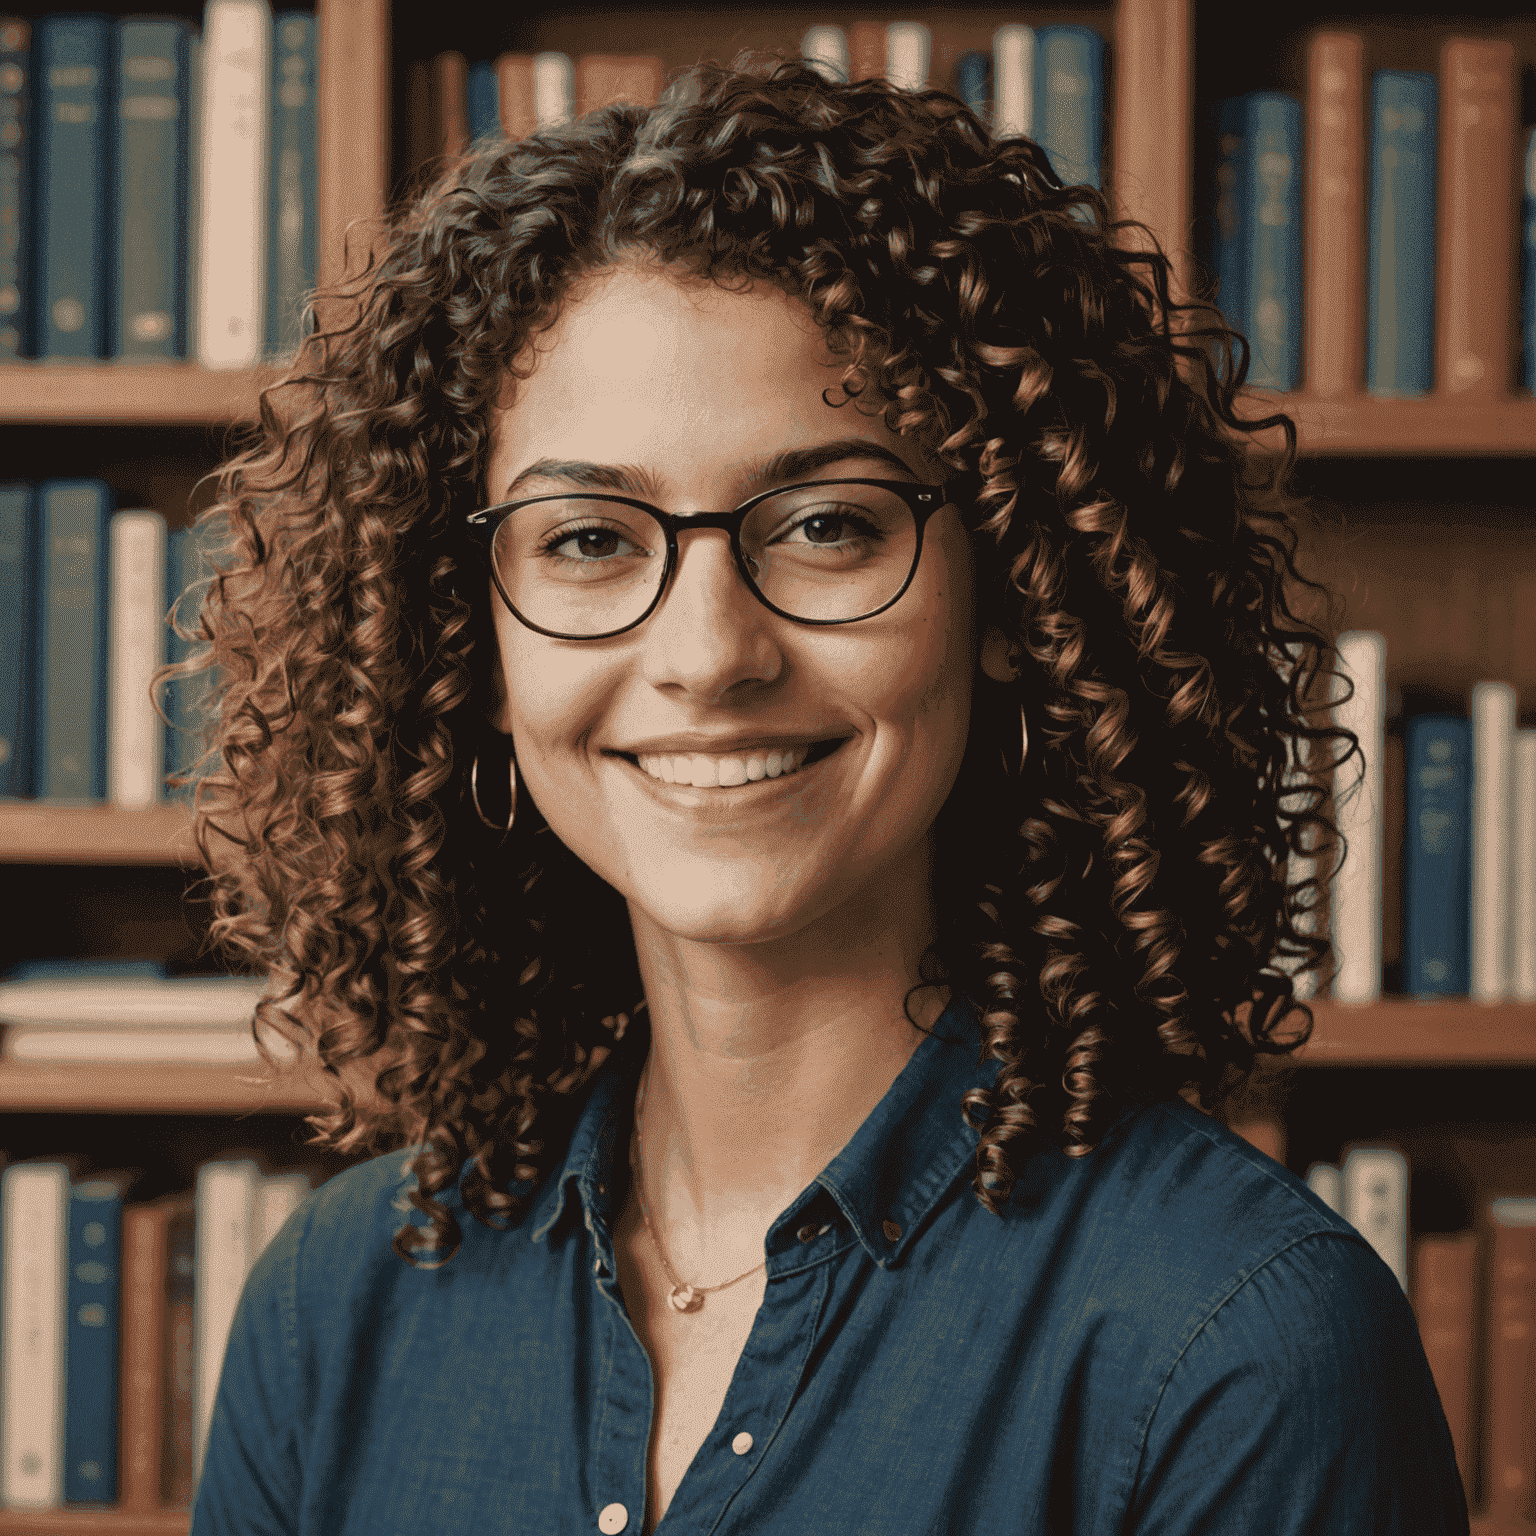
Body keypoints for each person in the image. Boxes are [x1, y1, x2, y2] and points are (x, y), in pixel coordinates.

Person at [182, 55, 1468, 1536]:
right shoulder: (330, 1316)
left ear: (1012, 590)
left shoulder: (1241, 1346)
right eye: (589, 541)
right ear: (471, 635)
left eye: (828, 525)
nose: (709, 654)